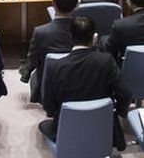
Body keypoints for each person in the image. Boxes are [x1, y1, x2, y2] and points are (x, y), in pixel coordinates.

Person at [40, 15, 132, 152]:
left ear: (70, 37)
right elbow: (126, 94)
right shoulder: (107, 61)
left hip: (68, 130)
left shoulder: (55, 67)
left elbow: (49, 106)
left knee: (44, 125)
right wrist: (117, 112)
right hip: (103, 128)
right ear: (94, 38)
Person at [20, 0, 77, 102]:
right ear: (77, 5)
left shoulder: (41, 32)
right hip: (78, 82)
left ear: (53, 3)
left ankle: (26, 73)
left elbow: (34, 60)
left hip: (49, 88)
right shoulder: (85, 30)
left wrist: (27, 70)